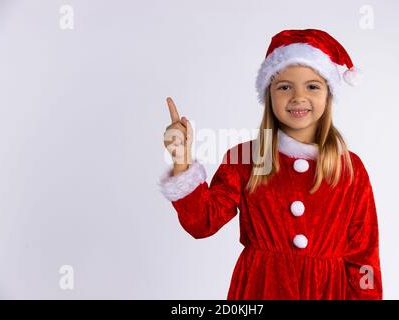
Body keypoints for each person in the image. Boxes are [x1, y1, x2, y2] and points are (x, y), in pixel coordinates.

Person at [158, 29, 383, 300]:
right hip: (260, 288)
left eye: (312, 86)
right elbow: (202, 222)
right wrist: (182, 159)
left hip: (326, 291)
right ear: (269, 95)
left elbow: (363, 256)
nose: (298, 97)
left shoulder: (350, 169)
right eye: (285, 86)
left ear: (329, 94)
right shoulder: (245, 158)